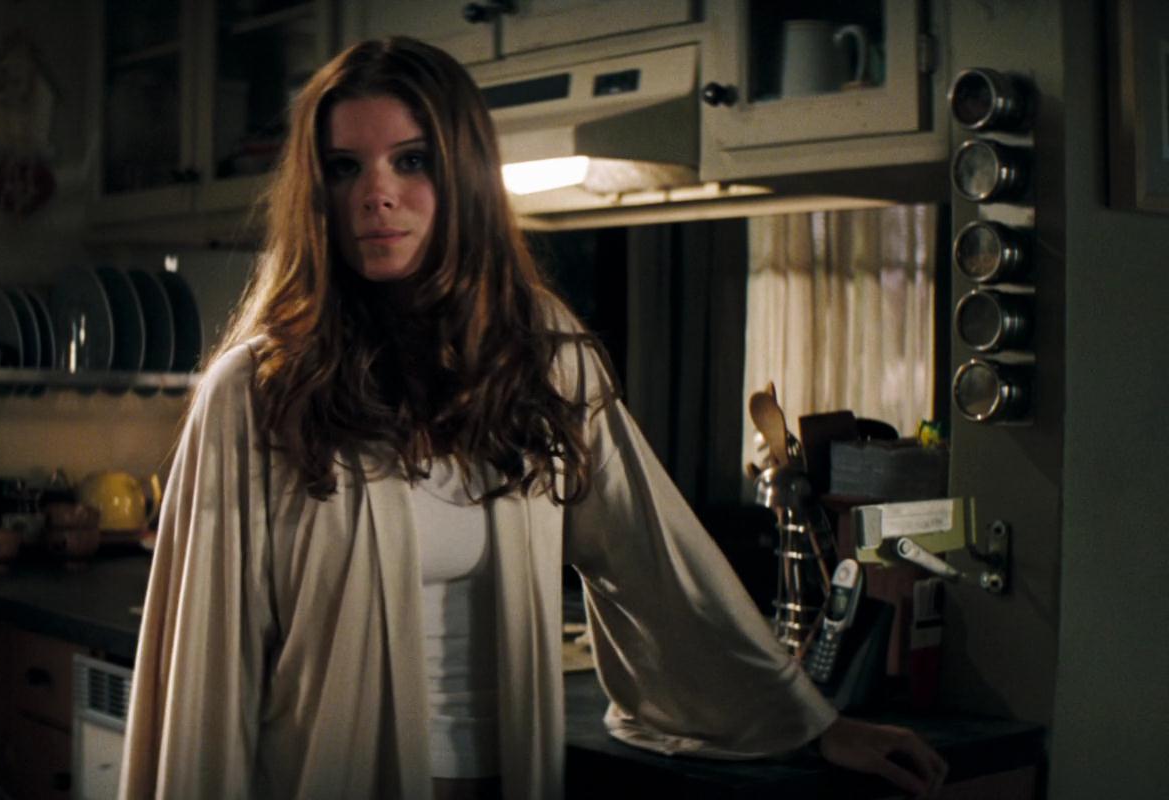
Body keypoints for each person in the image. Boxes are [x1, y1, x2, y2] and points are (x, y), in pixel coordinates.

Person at [121, 36, 949, 800]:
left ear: (463, 175)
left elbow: (656, 558)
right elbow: (206, 672)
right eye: (345, 167)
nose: (376, 193)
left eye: (412, 160)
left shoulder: (541, 358)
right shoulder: (258, 391)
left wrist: (810, 721)